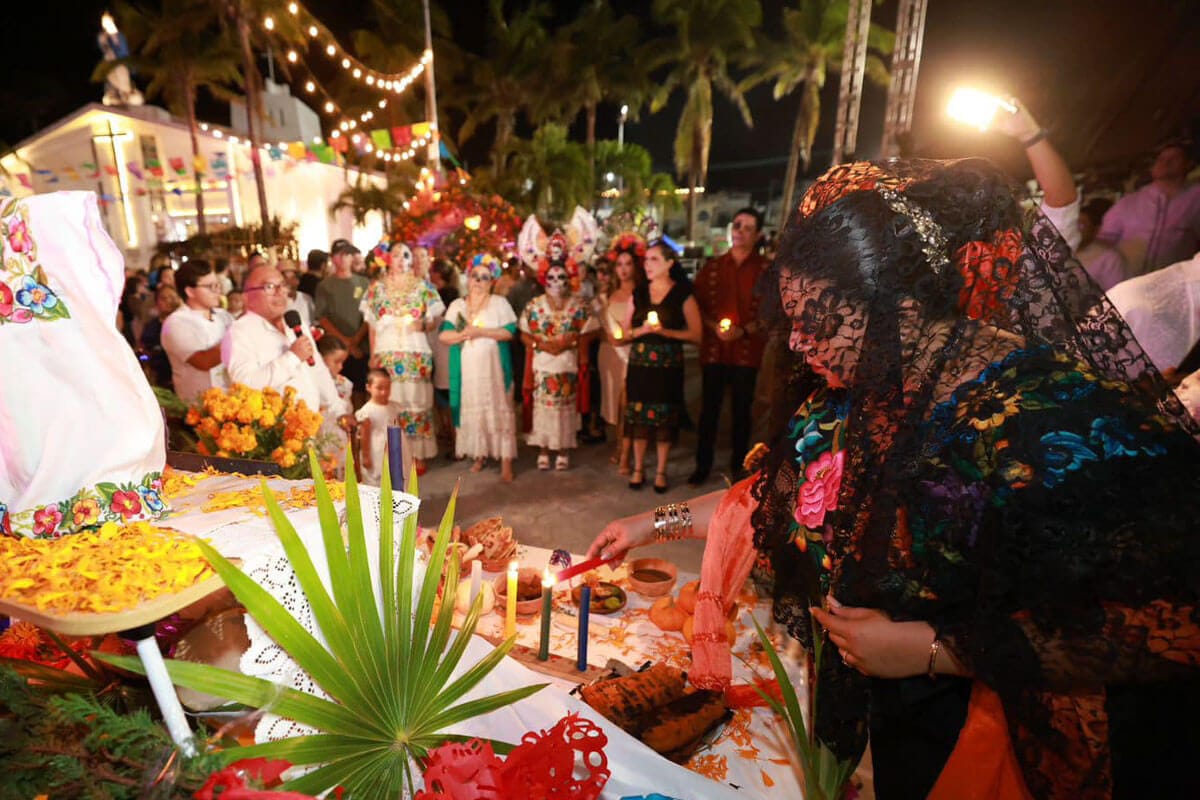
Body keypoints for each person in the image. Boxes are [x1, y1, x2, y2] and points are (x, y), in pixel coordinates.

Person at [589, 159, 1200, 800]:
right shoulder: (855, 389)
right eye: (790, 320)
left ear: (899, 304)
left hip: (988, 735)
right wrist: (649, 524)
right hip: (892, 721)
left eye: (817, 320)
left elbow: (1158, 620)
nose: (797, 344)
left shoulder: (1046, 414)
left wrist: (932, 649)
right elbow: (769, 499)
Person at [690, 207, 772, 486]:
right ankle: (702, 465)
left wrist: (744, 330)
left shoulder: (765, 270)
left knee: (741, 412)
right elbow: (696, 306)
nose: (740, 231)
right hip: (715, 351)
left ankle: (739, 467)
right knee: (709, 411)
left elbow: (774, 311)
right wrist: (715, 328)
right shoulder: (712, 267)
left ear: (758, 234)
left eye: (748, 227)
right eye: (737, 225)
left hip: (746, 354)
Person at [360, 241, 445, 475]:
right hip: (387, 352)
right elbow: (372, 325)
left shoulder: (423, 287)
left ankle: (417, 454)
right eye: (395, 255)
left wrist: (425, 324)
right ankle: (391, 452)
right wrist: (373, 353)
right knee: (390, 401)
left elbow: (436, 318)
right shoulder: (376, 288)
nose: (400, 260)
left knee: (415, 400)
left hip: (415, 351)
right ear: (387, 259)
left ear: (411, 260)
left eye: (405, 255)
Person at [624, 240, 702, 492]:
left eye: (654, 259)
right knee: (638, 415)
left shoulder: (682, 294)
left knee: (664, 416)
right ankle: (638, 469)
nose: (647, 265)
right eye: (646, 260)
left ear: (670, 263)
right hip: (640, 364)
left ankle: (660, 470)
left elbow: (696, 334)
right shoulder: (638, 293)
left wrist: (667, 332)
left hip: (667, 365)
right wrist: (642, 330)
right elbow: (624, 332)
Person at [439, 254, 519, 482]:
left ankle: (505, 461)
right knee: (473, 409)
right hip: (468, 372)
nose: (479, 281)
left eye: (485, 277)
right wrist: (464, 334)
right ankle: (480, 455)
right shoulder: (458, 305)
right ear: (468, 278)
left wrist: (481, 332)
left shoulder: (499, 303)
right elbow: (444, 335)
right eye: (475, 276)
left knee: (499, 409)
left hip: (494, 370)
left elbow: (508, 332)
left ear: (491, 281)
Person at [221, 264, 335, 413]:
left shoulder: (294, 322)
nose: (280, 292)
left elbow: (317, 369)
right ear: (246, 297)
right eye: (269, 287)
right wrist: (293, 357)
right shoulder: (240, 332)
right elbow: (245, 385)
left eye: (282, 285)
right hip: (275, 430)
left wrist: (338, 410)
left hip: (311, 422)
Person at [519, 260, 598, 470]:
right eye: (552, 277)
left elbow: (591, 331)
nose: (556, 282)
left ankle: (564, 449)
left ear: (569, 278)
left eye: (561, 277)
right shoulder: (534, 306)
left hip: (566, 363)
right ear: (544, 279)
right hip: (542, 364)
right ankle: (543, 449)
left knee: (565, 409)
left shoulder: (579, 306)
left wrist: (570, 342)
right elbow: (524, 334)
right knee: (543, 408)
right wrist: (540, 343)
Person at [1096, 141, 1200, 275]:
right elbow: (1104, 243)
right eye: (1161, 159)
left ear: (1188, 165)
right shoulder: (1129, 202)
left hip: (1172, 285)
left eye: (1174, 158)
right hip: (1128, 284)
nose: (1165, 162)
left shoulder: (1195, 199)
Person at [598, 234, 645, 474]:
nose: (623, 269)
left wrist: (627, 337)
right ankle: (619, 442)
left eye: (628, 264)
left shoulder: (642, 293)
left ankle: (624, 451)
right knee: (613, 401)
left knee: (628, 402)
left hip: (631, 352)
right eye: (619, 264)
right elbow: (600, 326)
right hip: (609, 354)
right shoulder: (606, 294)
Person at [161, 260, 234, 403]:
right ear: (189, 291)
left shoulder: (224, 316)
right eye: (210, 286)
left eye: (217, 285)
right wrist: (238, 336)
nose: (217, 291)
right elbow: (204, 361)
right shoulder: (176, 323)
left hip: (232, 400)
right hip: (198, 407)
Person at [316, 239, 370, 392]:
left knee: (363, 389)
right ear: (333, 257)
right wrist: (346, 342)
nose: (344, 258)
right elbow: (322, 317)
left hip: (362, 346)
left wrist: (355, 341)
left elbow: (370, 316)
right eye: (340, 255)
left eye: (348, 254)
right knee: (340, 389)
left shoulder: (364, 283)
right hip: (336, 348)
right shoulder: (325, 285)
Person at [316, 335, 356, 478]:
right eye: (336, 361)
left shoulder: (345, 384)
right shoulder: (311, 383)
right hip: (319, 435)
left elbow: (347, 410)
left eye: (342, 362)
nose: (341, 367)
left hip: (338, 436)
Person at [355, 368, 402, 487]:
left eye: (387, 388)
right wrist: (366, 456)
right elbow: (364, 435)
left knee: (396, 477)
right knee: (377, 480)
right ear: (369, 387)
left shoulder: (394, 406)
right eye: (379, 388)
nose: (384, 392)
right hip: (376, 450)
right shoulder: (367, 411)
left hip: (395, 448)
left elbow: (400, 427)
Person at [140, 284, 181, 387]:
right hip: (161, 381)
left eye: (172, 297)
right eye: (163, 298)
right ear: (157, 303)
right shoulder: (151, 328)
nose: (168, 301)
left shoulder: (184, 324)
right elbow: (144, 354)